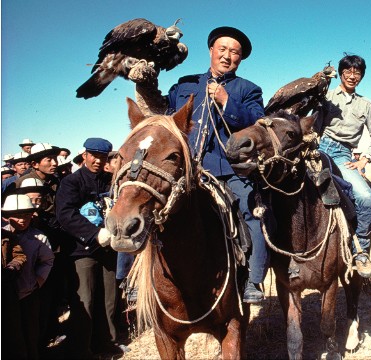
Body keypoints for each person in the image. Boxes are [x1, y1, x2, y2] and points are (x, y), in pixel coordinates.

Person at [132, 26, 269, 303]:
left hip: (227, 170)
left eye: (235, 52)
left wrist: (226, 100)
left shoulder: (249, 90)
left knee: (252, 212)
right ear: (211, 51)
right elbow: (161, 112)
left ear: (240, 59)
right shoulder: (185, 84)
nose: (227, 56)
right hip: (182, 169)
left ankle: (254, 281)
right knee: (141, 203)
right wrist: (145, 87)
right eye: (223, 49)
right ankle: (132, 280)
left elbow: (257, 125)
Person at [317, 54, 371, 278]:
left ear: (362, 76)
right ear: (340, 73)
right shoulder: (325, 96)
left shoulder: (367, 105)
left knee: (365, 196)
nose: (352, 76)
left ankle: (361, 252)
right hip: (317, 148)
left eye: (357, 73)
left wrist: (365, 159)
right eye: (348, 71)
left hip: (342, 155)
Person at [55, 138, 125, 357]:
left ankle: (107, 343)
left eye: (103, 157)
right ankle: (82, 350)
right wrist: (94, 234)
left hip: (108, 249)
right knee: (85, 300)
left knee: (109, 299)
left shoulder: (110, 180)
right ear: (84, 155)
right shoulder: (71, 182)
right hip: (81, 249)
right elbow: (65, 214)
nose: (98, 160)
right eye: (94, 155)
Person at [2, 194, 55, 359]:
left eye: (26, 216)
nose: (22, 220)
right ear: (6, 217)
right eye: (17, 216)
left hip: (28, 292)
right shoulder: (3, 236)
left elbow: (47, 260)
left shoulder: (39, 237)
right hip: (6, 296)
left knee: (31, 332)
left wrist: (38, 281)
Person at [1, 226, 28, 359]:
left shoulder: (7, 236)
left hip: (6, 291)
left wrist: (11, 269)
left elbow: (20, 257)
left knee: (12, 335)